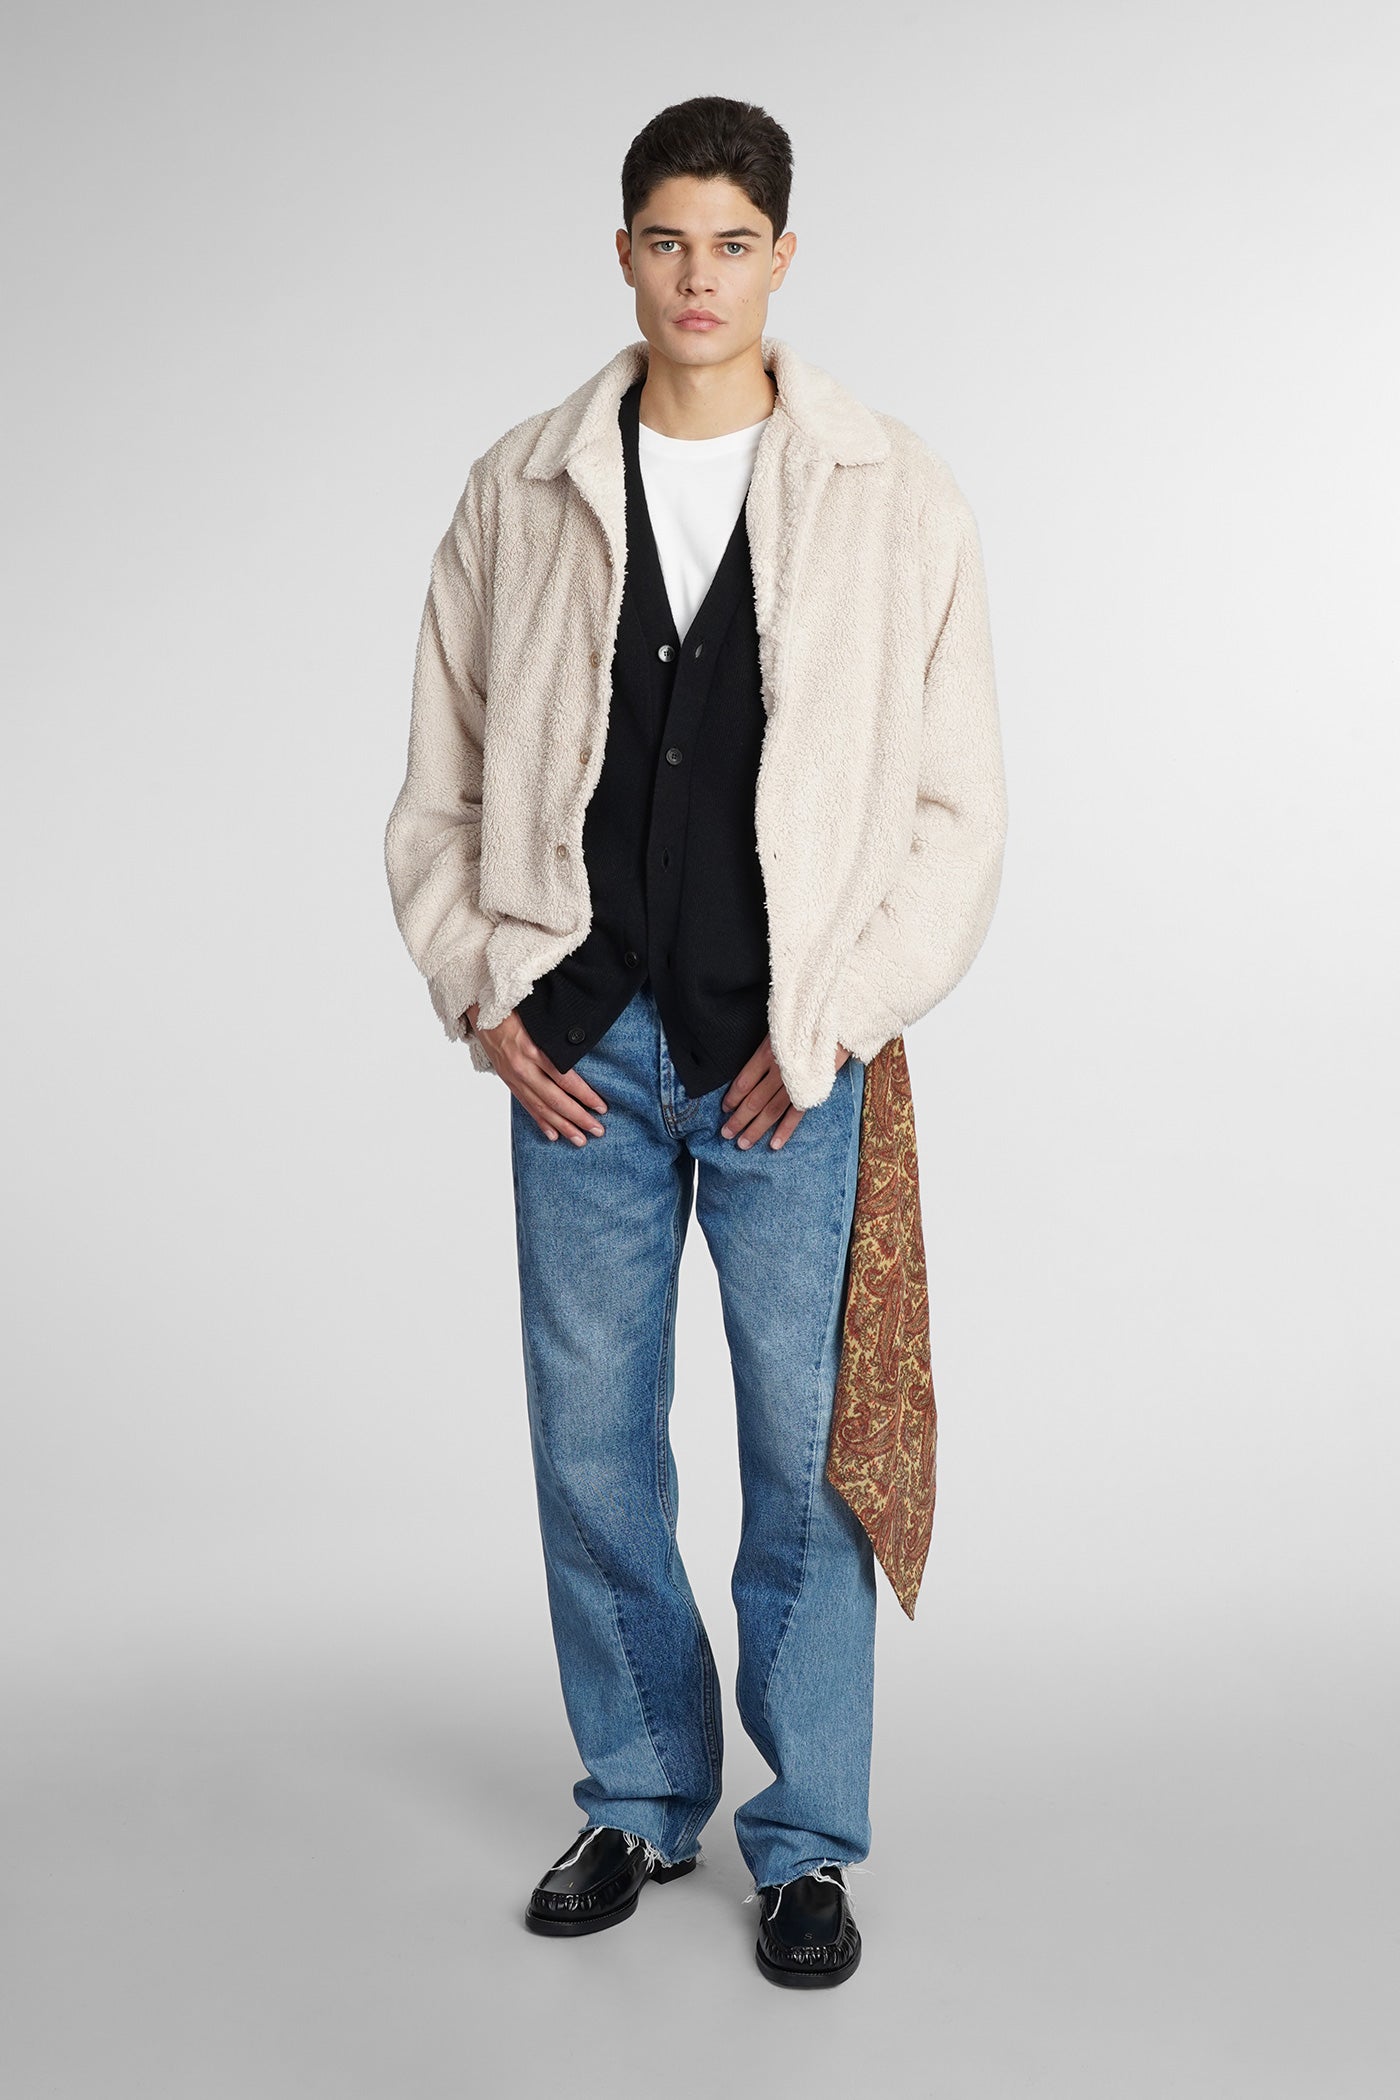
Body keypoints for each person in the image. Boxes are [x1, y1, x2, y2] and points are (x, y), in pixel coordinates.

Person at [384, 94, 1008, 1988]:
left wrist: (836, 1024)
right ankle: (643, 1792)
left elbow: (956, 818)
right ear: (624, 254)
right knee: (591, 1447)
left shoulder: (893, 492)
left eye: (734, 242)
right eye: (667, 240)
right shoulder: (520, 488)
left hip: (784, 1063)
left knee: (802, 1465)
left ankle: (805, 1843)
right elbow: (440, 785)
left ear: (784, 259)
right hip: (577, 1052)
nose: (698, 277)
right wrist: (482, 993)